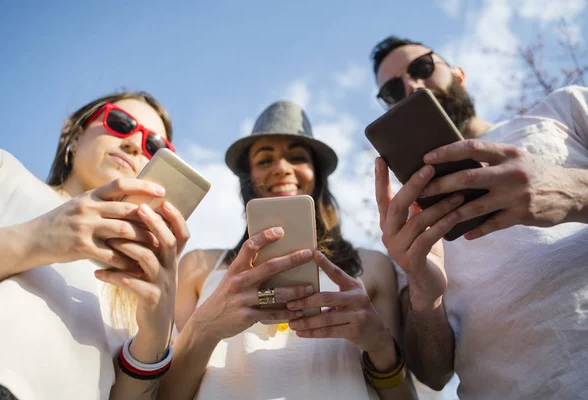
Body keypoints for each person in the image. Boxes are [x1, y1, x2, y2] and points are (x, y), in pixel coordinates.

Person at [369, 36, 588, 399]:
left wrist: (573, 191)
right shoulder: (409, 223)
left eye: (422, 68)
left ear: (458, 74)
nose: (411, 86)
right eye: (393, 90)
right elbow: (433, 373)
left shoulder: (562, 110)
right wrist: (426, 298)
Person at [159, 101, 415, 399]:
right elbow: (165, 395)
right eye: (265, 161)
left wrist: (382, 347)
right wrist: (206, 328)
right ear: (248, 178)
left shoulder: (372, 266)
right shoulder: (198, 266)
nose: (282, 168)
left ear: (316, 174)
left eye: (297, 157)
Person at [0, 92, 189, 399]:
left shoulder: (138, 282)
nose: (134, 143)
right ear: (76, 134)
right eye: (120, 123)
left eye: (154, 147)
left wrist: (156, 334)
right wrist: (37, 239)